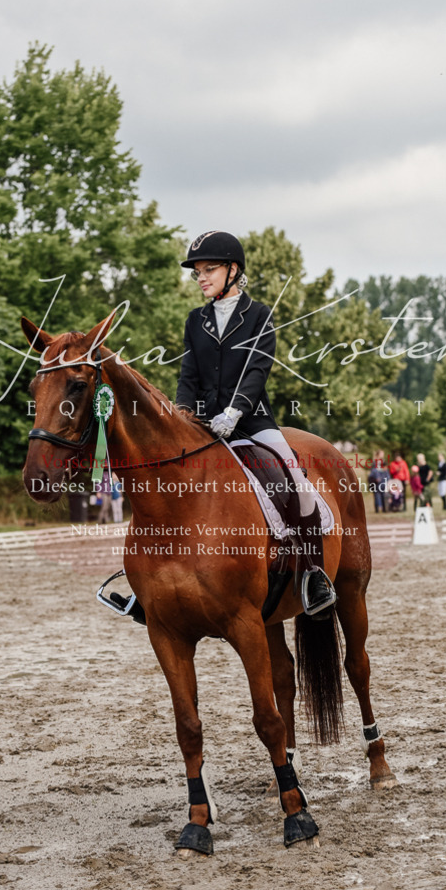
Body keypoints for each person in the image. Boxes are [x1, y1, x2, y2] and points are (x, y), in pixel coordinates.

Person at [173, 231, 336, 619]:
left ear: (233, 270)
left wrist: (235, 411)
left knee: (298, 485)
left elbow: (257, 369)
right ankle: (161, 579)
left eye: (209, 269)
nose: (201, 278)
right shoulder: (196, 321)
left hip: (253, 421)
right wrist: (183, 413)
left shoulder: (259, 314)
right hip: (203, 424)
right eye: (197, 272)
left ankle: (313, 574)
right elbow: (188, 374)